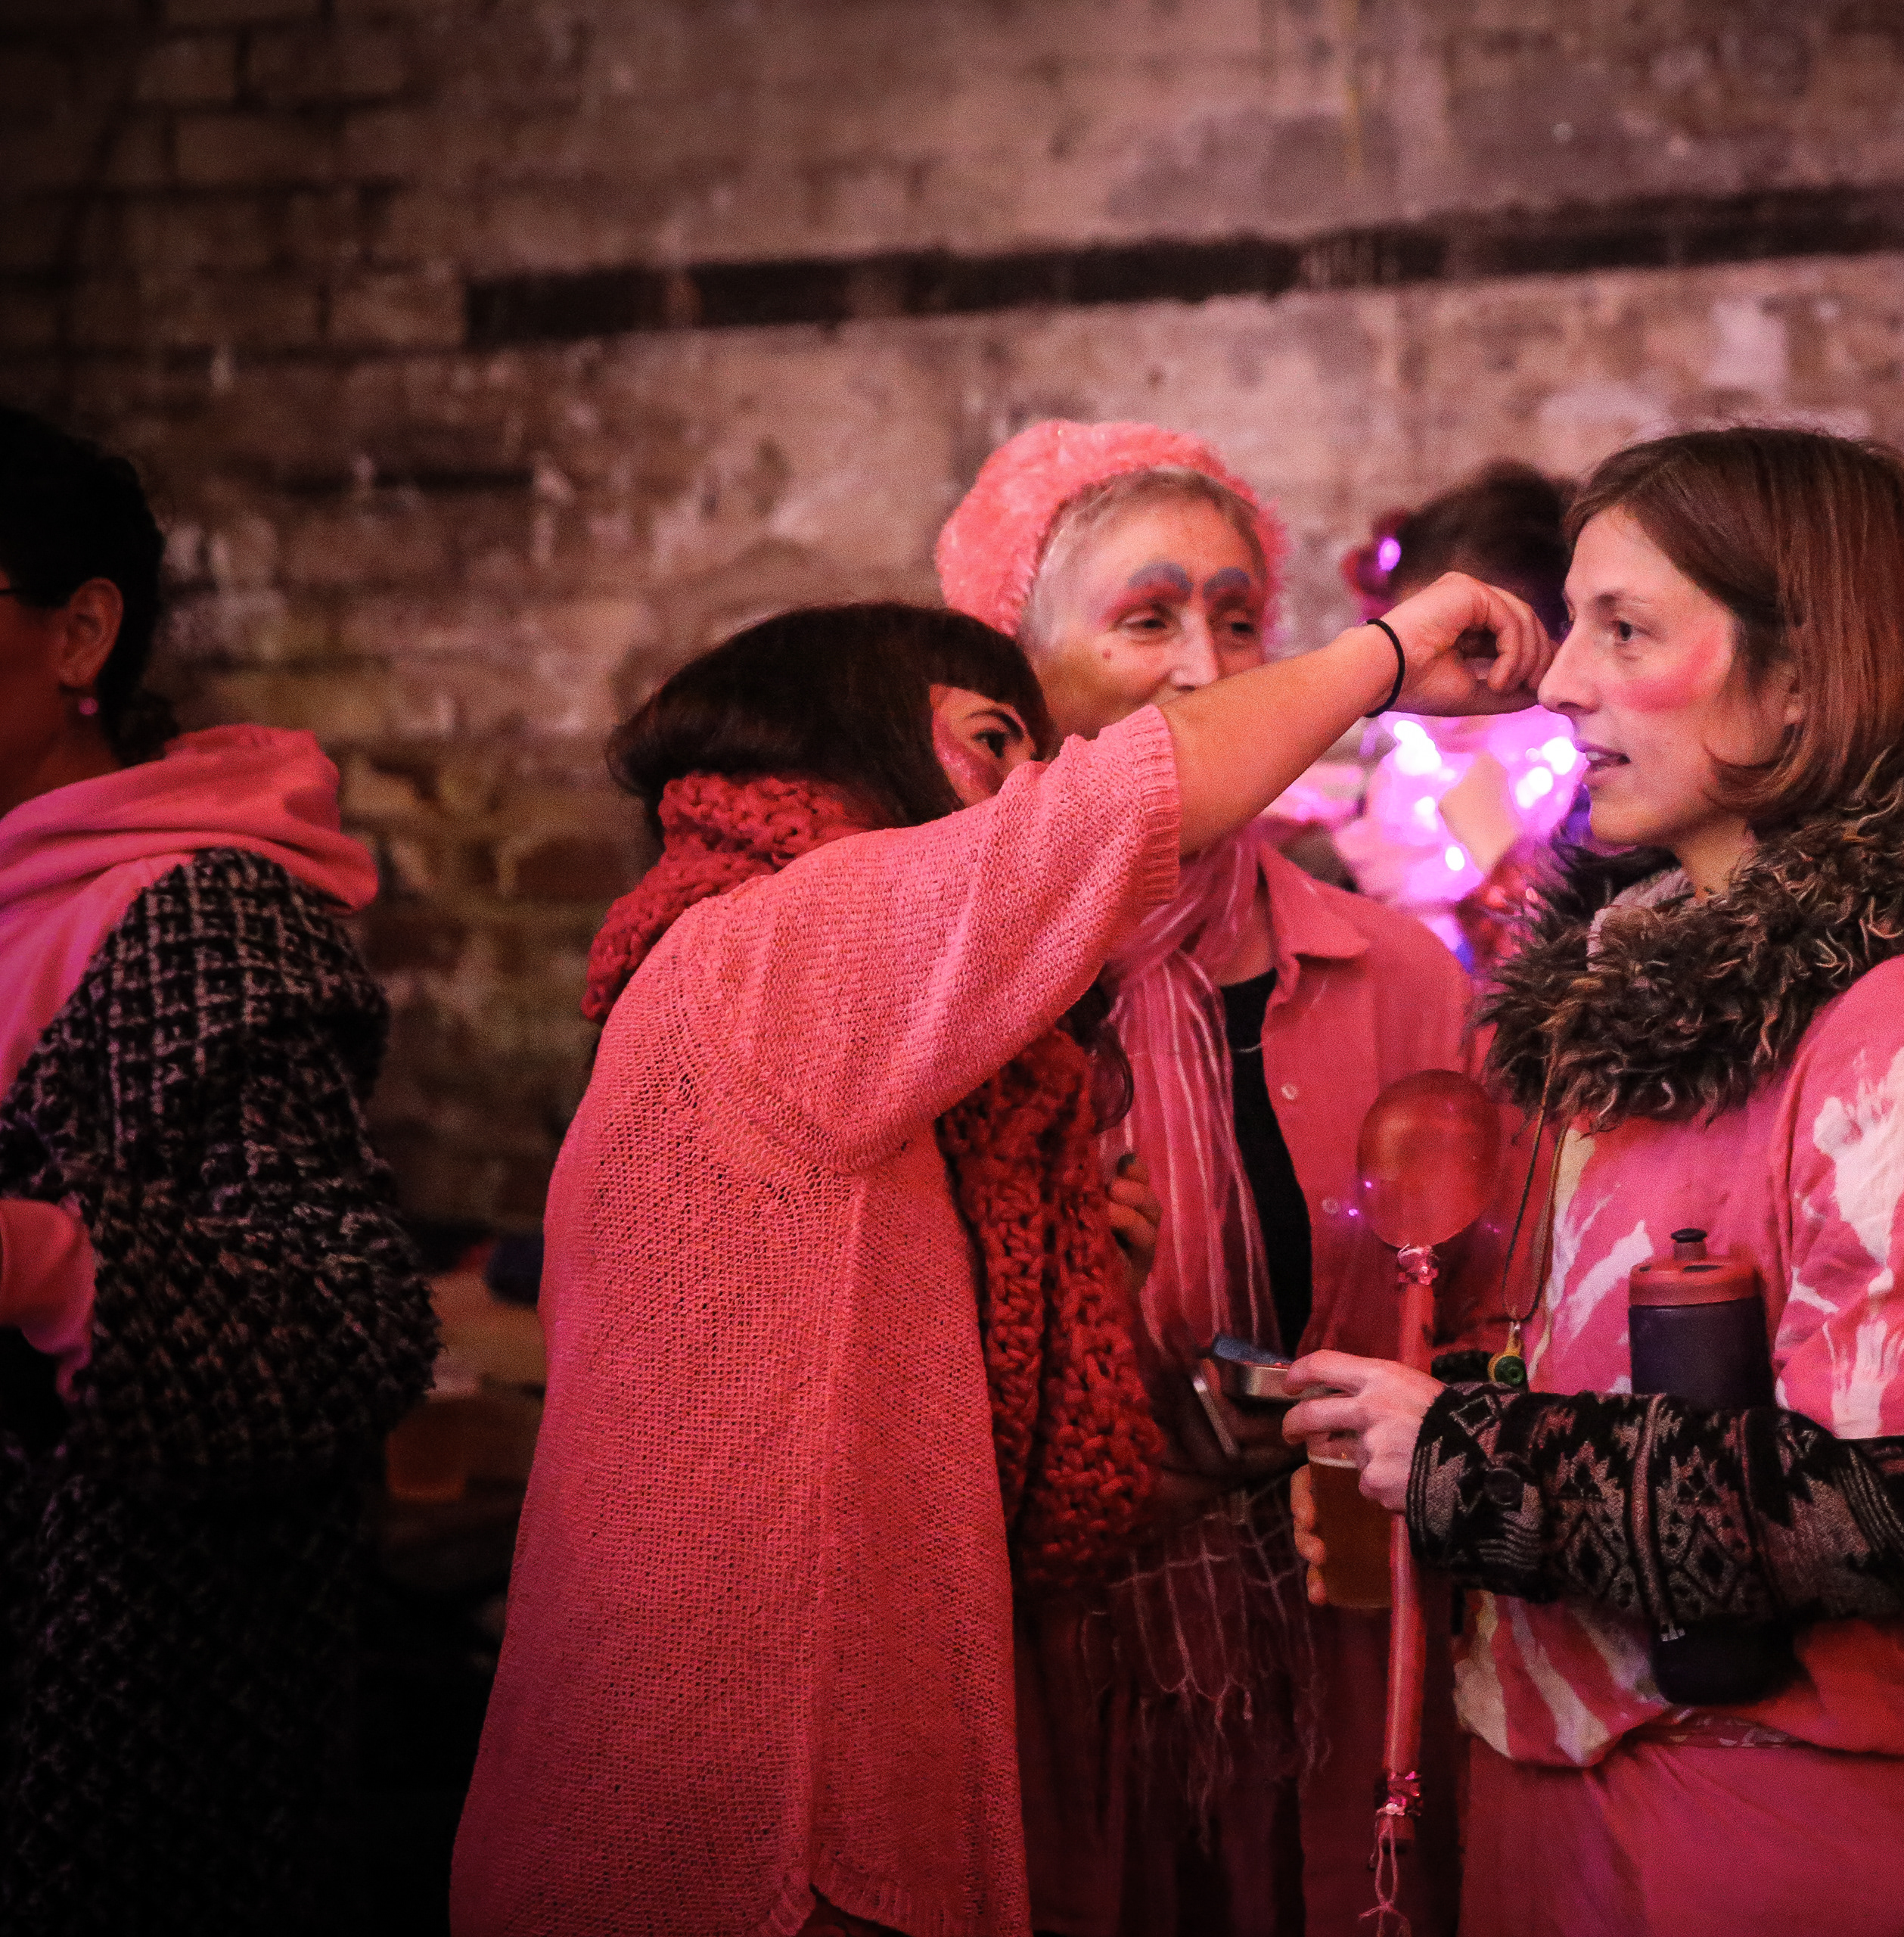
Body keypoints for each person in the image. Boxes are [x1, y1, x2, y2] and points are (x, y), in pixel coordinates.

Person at [453, 573, 1548, 1937]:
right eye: (995, 744)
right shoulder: (763, 949)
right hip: (753, 1820)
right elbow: (1124, 802)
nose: (1028, 790)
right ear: (855, 735)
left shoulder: (812, 1002)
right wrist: (1386, 655)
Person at [1282, 427, 1904, 1937]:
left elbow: (1900, 1503)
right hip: (1578, 1790)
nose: (1562, 683)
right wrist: (1425, 1409)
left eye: (1626, 631)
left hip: (1769, 1818)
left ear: (1800, 676)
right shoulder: (1639, 988)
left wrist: (1471, 1461)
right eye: (1575, 627)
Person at [935, 420, 1474, 1937]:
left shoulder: (1399, 973)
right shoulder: (956, 987)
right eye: (1146, 618)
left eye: (1239, 621)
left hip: (1341, 1663)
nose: (1204, 667)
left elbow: (1490, 1320)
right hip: (1036, 1670)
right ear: (1017, 674)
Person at [0, 406, 439, 1931]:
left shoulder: (196, 912)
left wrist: (36, 1260)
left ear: (81, 632)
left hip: (104, 1711)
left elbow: (350, 1325)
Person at [1334, 462, 1583, 965]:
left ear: (1563, 634)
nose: (1444, 694)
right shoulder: (1393, 791)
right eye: (1418, 655)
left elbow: (1586, 976)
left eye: (1485, 651)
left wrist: (1499, 854)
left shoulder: (1596, 797)